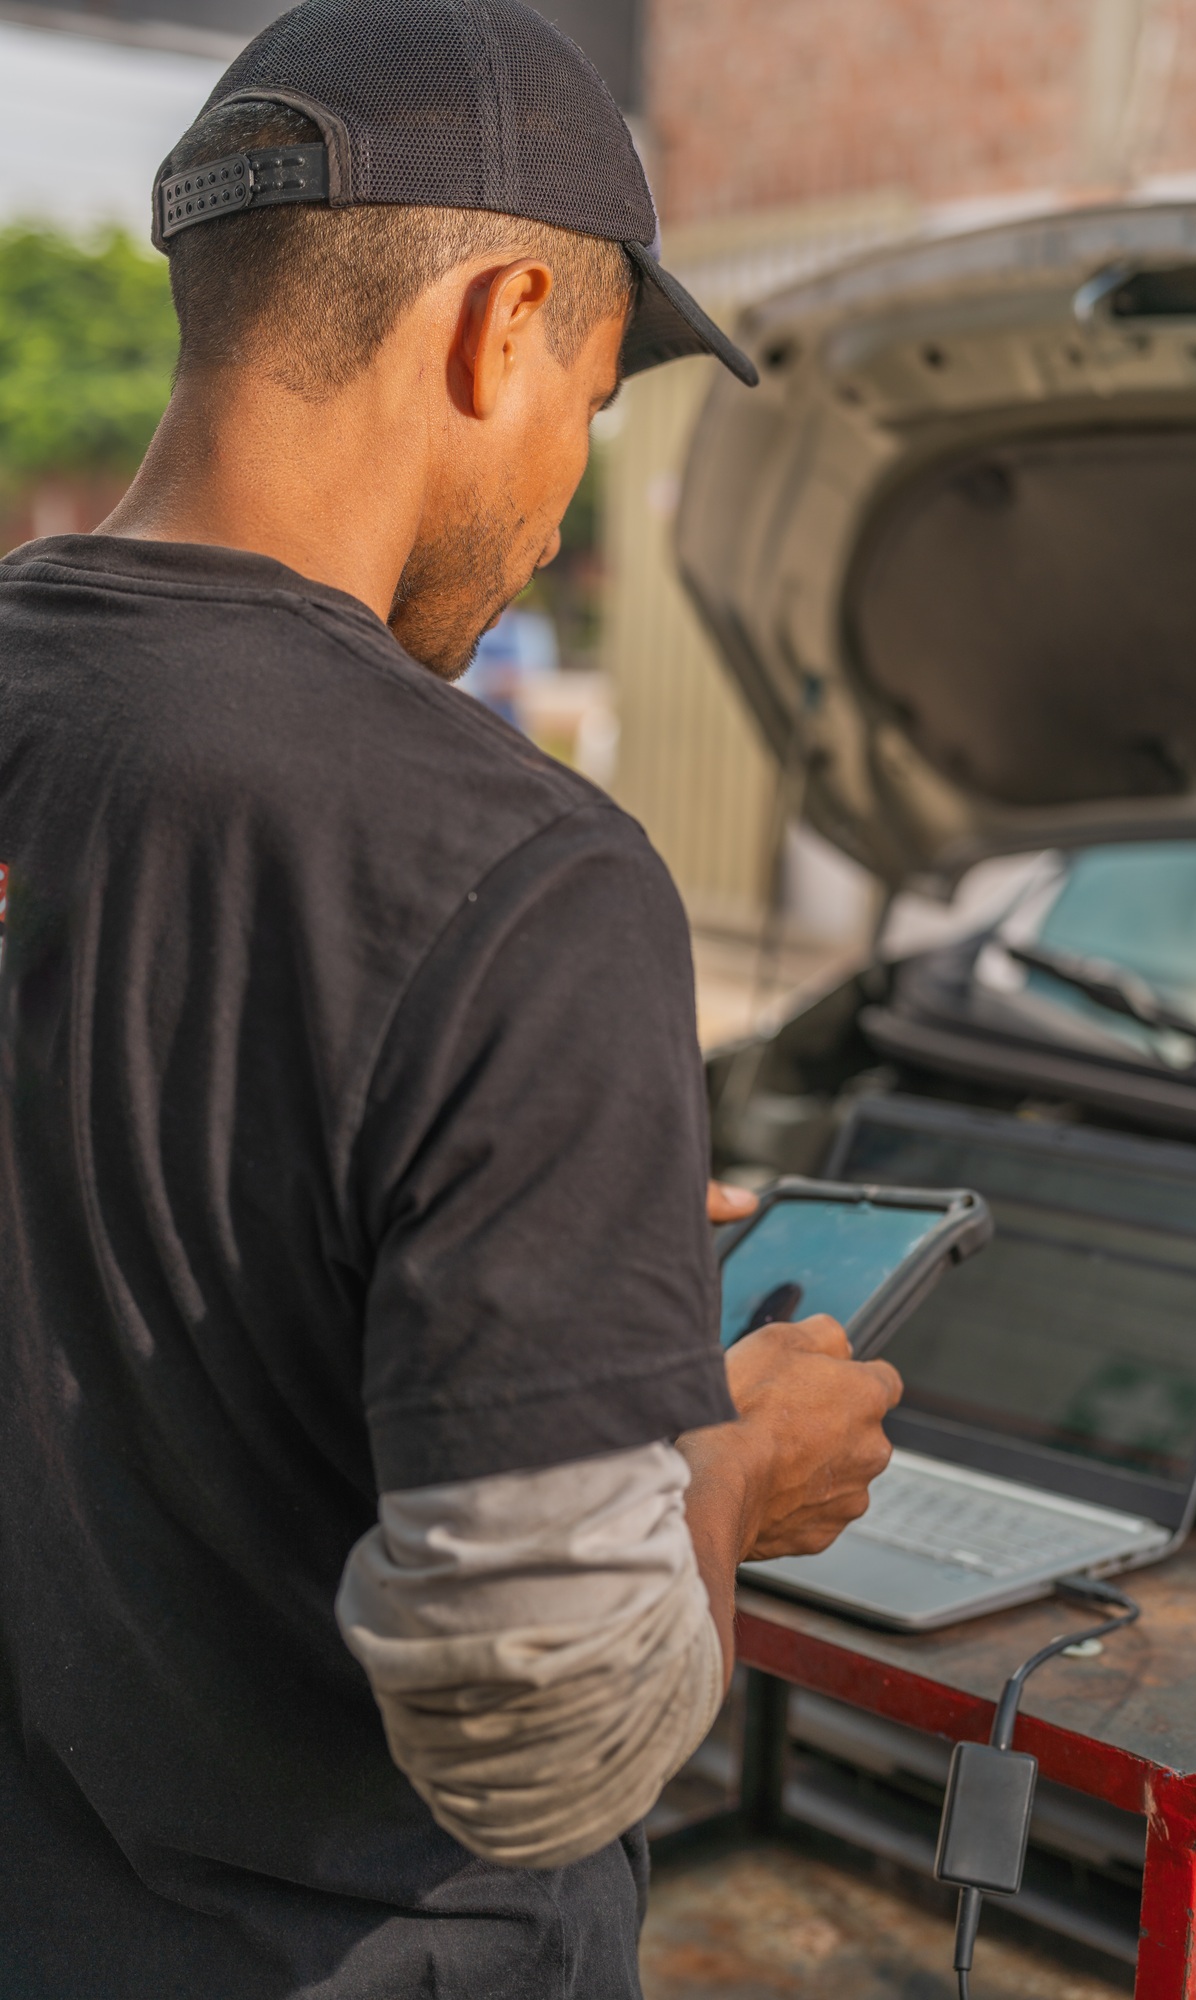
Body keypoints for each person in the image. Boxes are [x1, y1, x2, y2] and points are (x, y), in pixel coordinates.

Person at [0, 2, 902, 1994]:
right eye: (588, 397)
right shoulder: (518, 877)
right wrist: (730, 1457)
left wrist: (530, 1275)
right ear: (500, 324)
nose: (566, 501)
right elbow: (539, 1716)